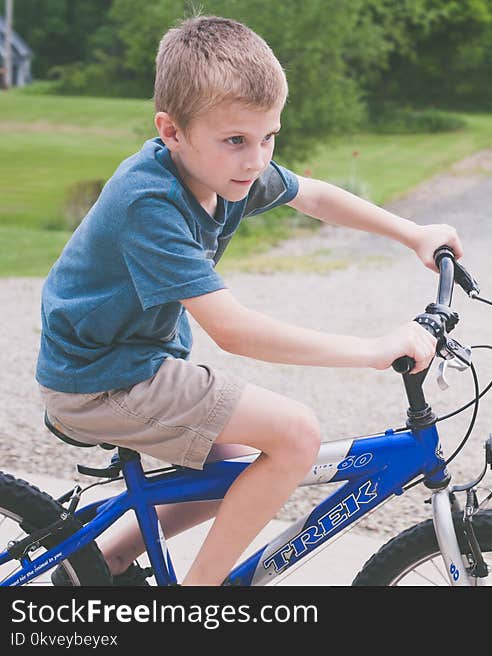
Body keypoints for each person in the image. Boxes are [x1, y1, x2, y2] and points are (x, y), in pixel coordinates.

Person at [35, 15, 462, 586]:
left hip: (132, 363)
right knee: (295, 435)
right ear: (172, 130)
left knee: (234, 467)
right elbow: (233, 330)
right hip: (101, 379)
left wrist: (413, 234)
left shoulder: (221, 170)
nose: (256, 159)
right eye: (237, 139)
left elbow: (312, 196)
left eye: (269, 137)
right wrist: (374, 348)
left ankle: (102, 562)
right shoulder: (150, 204)